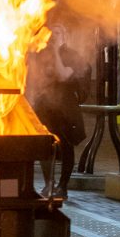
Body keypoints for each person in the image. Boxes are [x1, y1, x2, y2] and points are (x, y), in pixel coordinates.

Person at [26, 29, 87, 196]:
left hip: (65, 108)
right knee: (44, 145)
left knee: (66, 147)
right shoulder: (41, 54)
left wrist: (55, 52)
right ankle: (49, 183)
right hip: (44, 107)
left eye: (58, 31)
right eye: (52, 31)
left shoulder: (72, 56)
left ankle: (63, 186)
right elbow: (34, 79)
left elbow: (63, 76)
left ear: (64, 35)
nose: (53, 35)